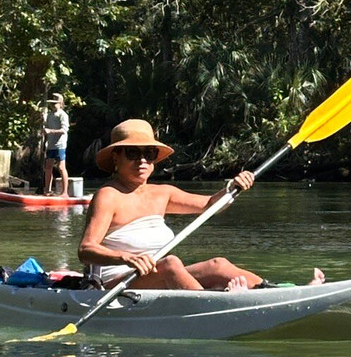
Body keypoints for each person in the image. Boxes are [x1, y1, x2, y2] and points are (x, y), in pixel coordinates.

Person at [78, 118, 324, 291]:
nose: (142, 160)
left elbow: (211, 204)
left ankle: (274, 290)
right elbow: (86, 249)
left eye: (149, 153)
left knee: (218, 265)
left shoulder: (163, 193)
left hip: (157, 277)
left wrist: (232, 187)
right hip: (116, 283)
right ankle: (219, 304)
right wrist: (126, 257)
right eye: (132, 153)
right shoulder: (108, 195)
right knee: (171, 263)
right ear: (116, 158)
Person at [42, 92, 70, 196]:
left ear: (60, 104)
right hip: (50, 145)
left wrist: (50, 131)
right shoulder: (49, 115)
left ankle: (65, 192)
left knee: (61, 167)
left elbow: (64, 130)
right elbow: (46, 129)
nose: (53, 105)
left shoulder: (63, 115)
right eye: (51, 104)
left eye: (55, 103)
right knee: (48, 167)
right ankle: (47, 190)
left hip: (60, 145)